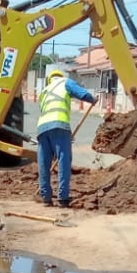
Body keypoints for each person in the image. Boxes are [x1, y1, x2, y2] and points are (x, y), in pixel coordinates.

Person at [36, 66, 97, 208]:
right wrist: (92, 99)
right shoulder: (65, 82)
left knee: (43, 163)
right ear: (60, 76)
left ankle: (46, 198)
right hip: (59, 124)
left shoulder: (44, 91)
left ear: (50, 79)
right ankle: (63, 198)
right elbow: (81, 94)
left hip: (42, 128)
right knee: (63, 160)